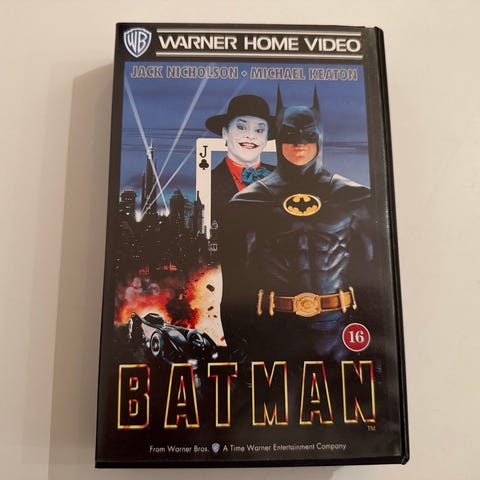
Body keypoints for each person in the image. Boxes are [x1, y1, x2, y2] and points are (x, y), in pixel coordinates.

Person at [219, 87, 373, 365]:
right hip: (273, 335)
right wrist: (241, 350)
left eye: (308, 134)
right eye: (290, 134)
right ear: (278, 137)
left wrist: (375, 345)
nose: (299, 143)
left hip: (341, 335)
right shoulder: (248, 203)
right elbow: (234, 289)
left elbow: (374, 280)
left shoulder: (354, 197)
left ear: (320, 136)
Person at [205, 94, 276, 225]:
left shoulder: (283, 178)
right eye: (241, 127)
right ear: (225, 133)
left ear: (267, 138)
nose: (251, 136)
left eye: (259, 130)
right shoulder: (207, 181)